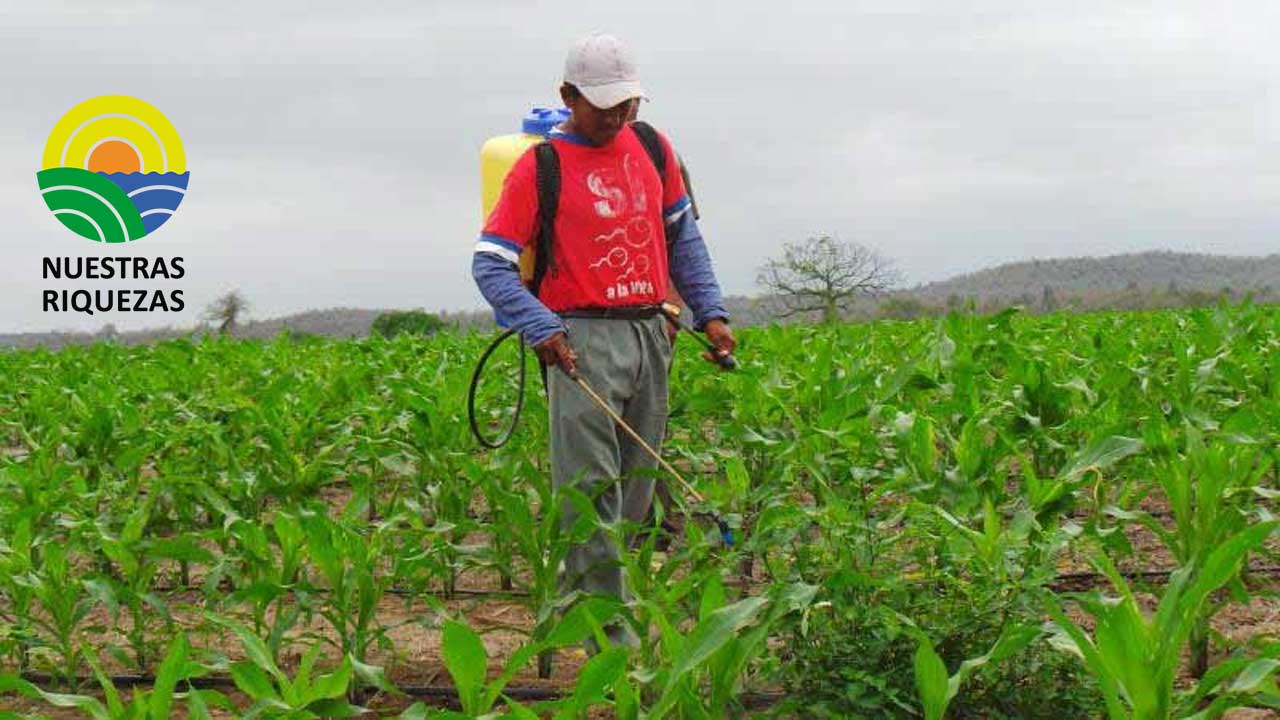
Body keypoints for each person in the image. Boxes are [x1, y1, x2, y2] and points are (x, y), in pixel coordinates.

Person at [471, 32, 734, 646]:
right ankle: (611, 647)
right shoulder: (541, 167)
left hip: (652, 332)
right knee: (590, 496)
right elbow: (490, 264)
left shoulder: (651, 145)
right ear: (568, 96)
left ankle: (586, 605)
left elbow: (683, 238)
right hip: (580, 341)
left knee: (636, 492)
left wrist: (710, 311)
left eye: (630, 104)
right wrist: (541, 326)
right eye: (605, 106)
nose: (619, 117)